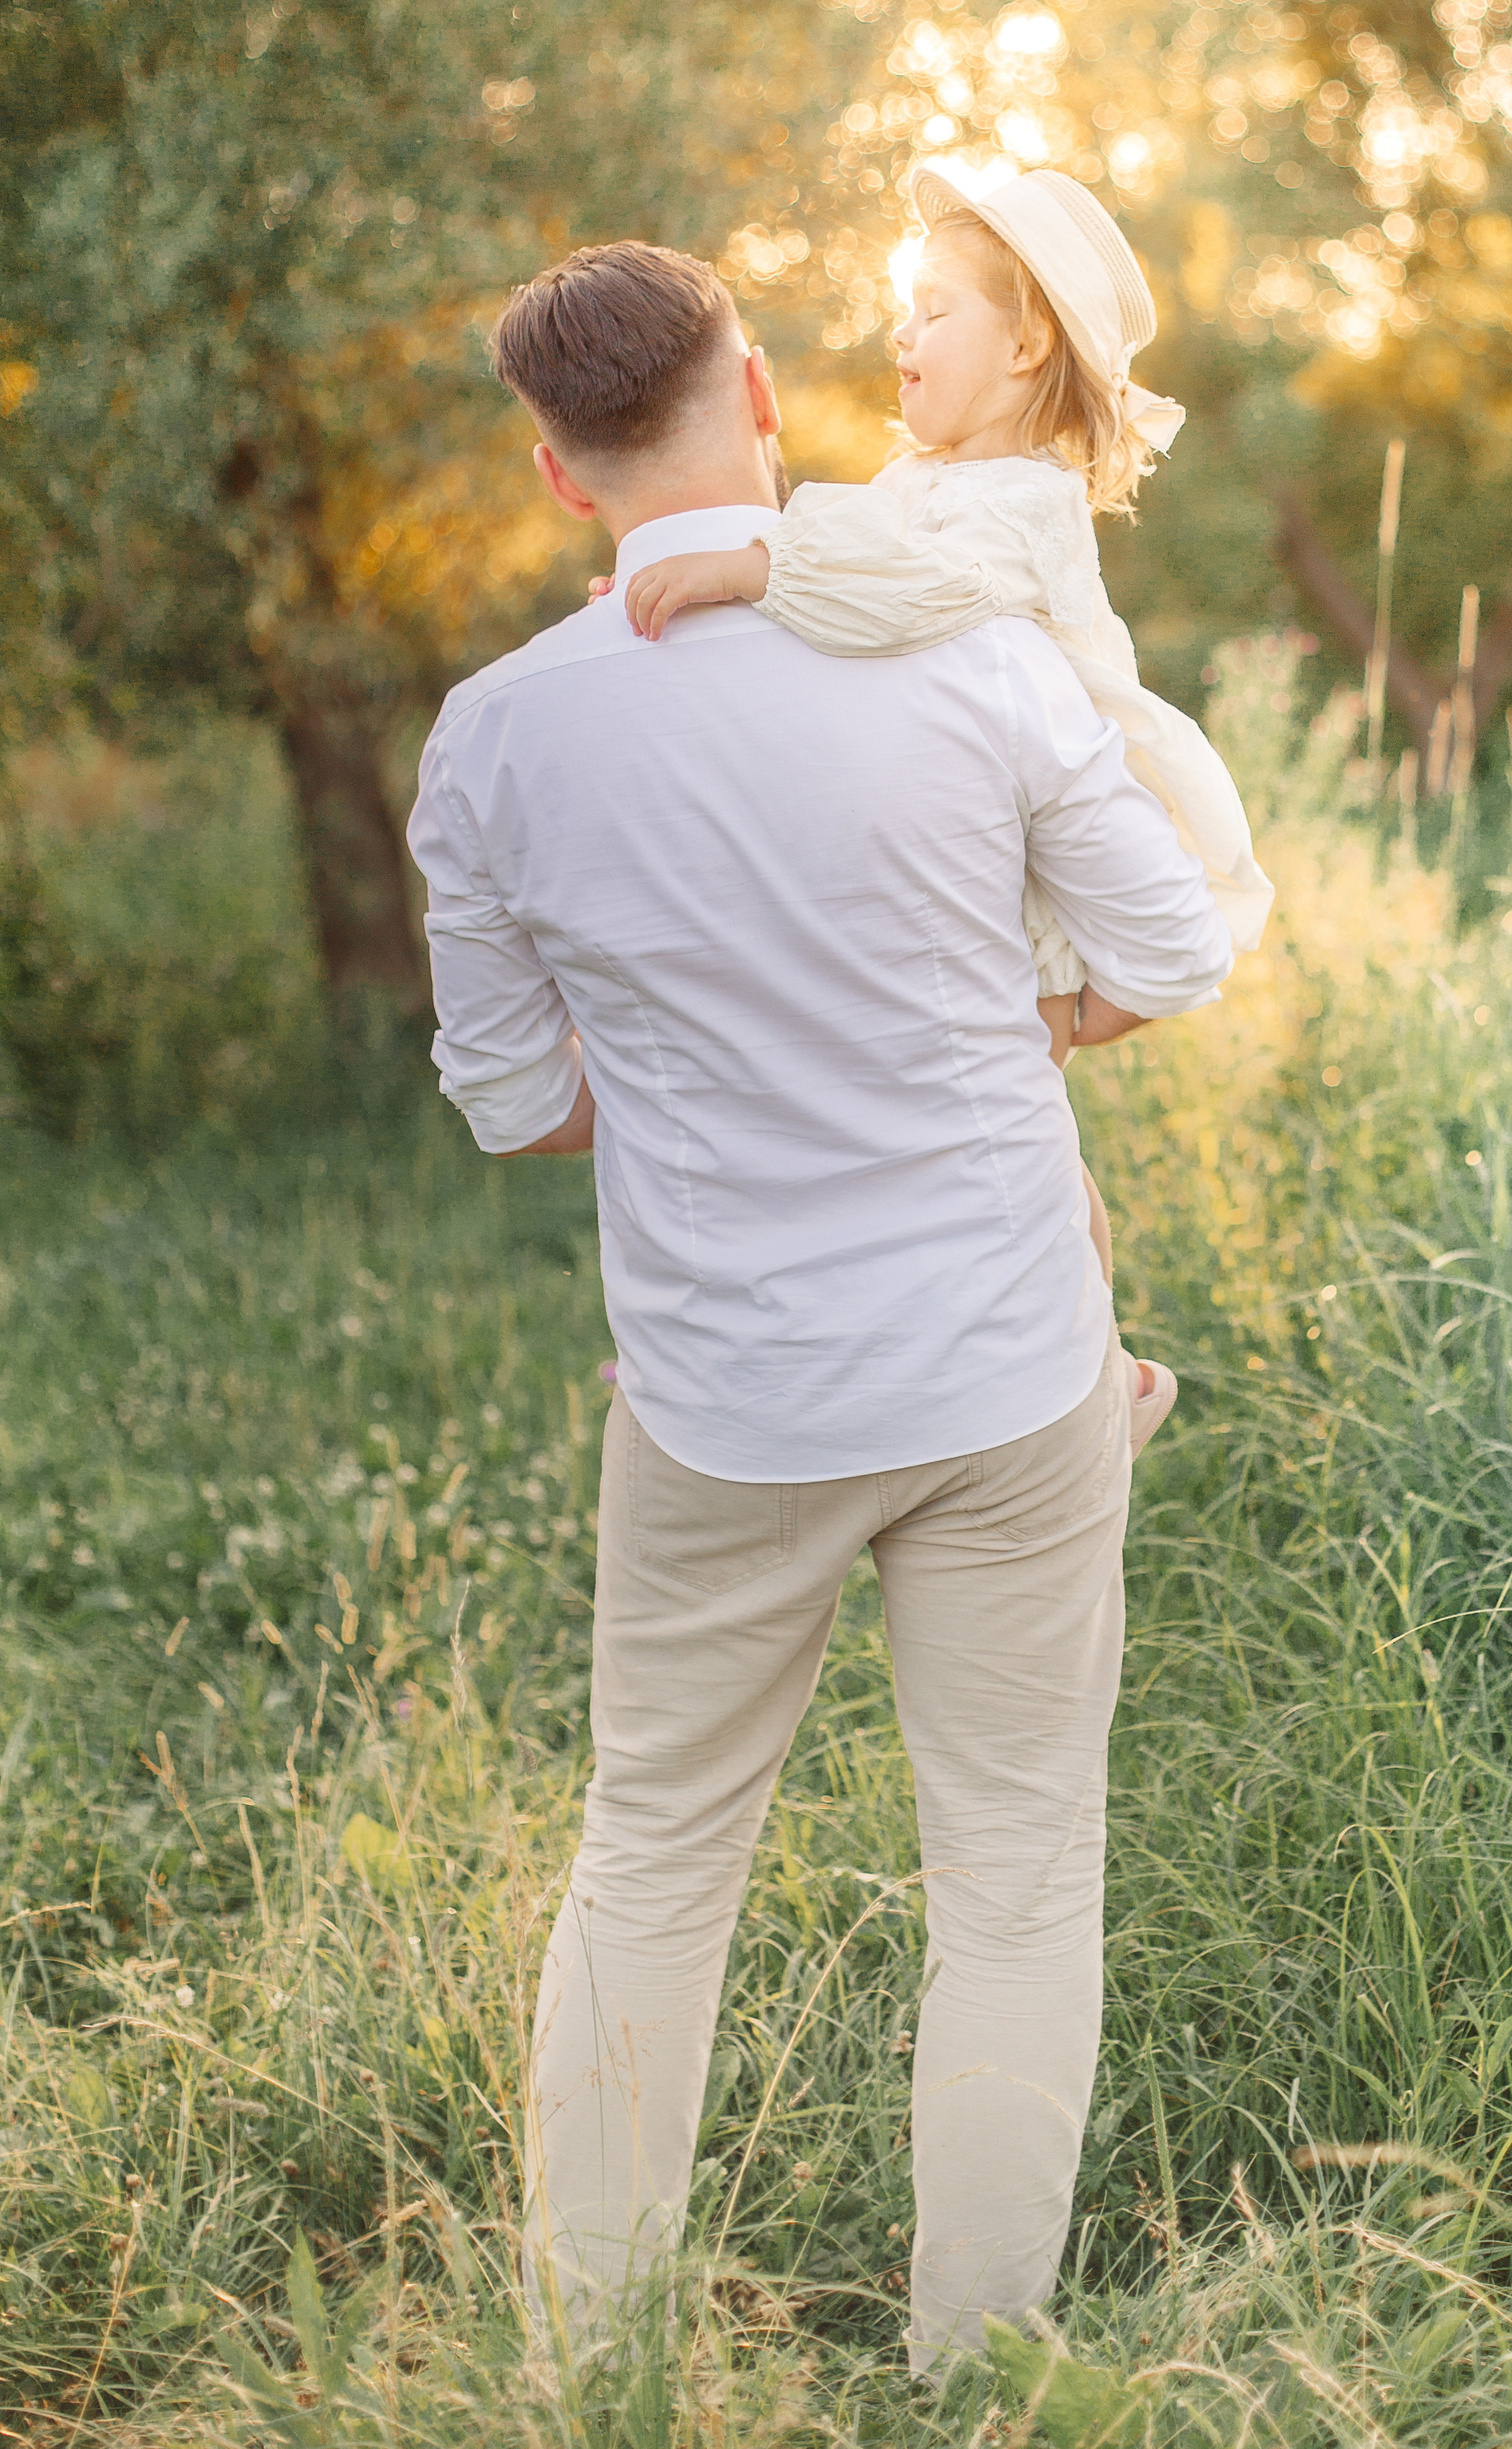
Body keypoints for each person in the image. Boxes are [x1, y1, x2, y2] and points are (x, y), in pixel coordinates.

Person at [406, 239, 1233, 2377]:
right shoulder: (968, 660)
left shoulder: (495, 743)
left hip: (727, 1401)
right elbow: (1172, 948)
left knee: (657, 1858)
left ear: (560, 477)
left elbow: (517, 1106)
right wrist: (998, 1025)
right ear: (761, 397)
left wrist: (717, 1079)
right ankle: (982, 2375)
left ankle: (595, 2371)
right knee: (1022, 1879)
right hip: (1008, 1371)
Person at [606, 164, 1274, 1456]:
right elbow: (843, 609)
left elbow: (893, 604)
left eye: (933, 312)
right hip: (969, 847)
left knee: (1020, 1137)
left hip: (1040, 854)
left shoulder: (1018, 506)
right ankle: (1035, 1355)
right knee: (998, 1131)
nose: (899, 339)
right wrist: (667, 577)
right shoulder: (919, 482)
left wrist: (741, 570)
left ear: (1026, 346)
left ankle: (1102, 1366)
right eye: (900, 312)